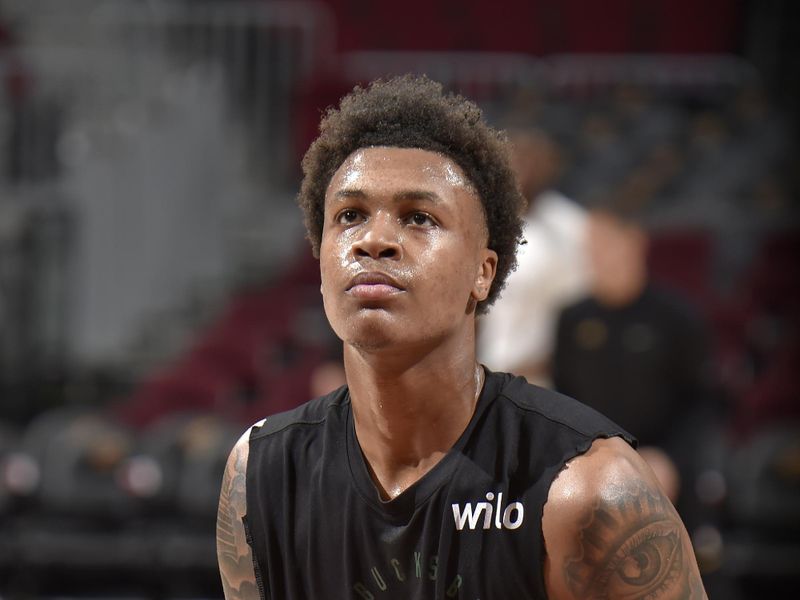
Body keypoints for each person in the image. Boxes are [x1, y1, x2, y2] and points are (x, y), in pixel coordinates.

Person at [216, 76, 707, 599]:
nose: (375, 239)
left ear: (484, 272)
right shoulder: (260, 473)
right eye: (350, 216)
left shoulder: (592, 491)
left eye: (419, 217)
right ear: (320, 267)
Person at [552, 208, 712, 508]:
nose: (596, 257)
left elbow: (701, 404)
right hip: (590, 468)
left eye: (606, 245)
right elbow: (562, 398)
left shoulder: (677, 317)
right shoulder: (572, 319)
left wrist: (671, 460)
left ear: (635, 243)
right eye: (590, 247)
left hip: (660, 467)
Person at [477, 127, 590, 387]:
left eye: (533, 159)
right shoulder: (486, 221)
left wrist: (549, 361)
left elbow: (579, 312)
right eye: (517, 158)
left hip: (545, 376)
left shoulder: (571, 226)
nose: (524, 169)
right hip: (486, 371)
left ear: (551, 166)